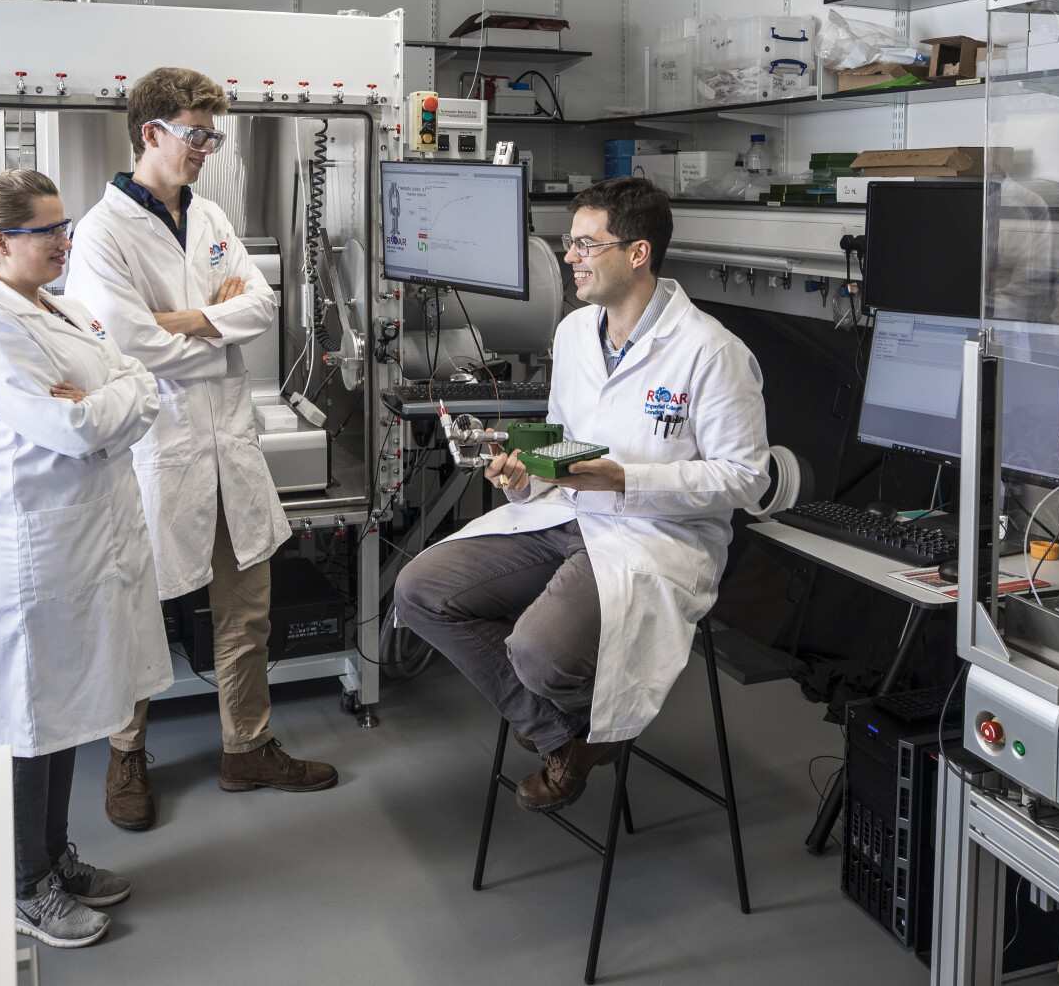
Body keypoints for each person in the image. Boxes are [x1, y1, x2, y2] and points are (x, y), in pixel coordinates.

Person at [395, 177, 772, 812]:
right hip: (568, 515)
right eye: (569, 243)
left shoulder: (713, 352)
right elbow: (564, 447)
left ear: (638, 253)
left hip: (657, 536)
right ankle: (568, 739)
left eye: (585, 245)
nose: (569, 257)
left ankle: (571, 727)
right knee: (419, 590)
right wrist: (526, 475)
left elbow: (746, 478)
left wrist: (627, 479)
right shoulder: (574, 333)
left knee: (536, 652)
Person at [66, 66, 337, 830]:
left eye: (212, 135)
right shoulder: (101, 234)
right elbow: (129, 343)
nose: (206, 149)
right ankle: (126, 753)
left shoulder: (212, 217)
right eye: (196, 134)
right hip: (157, 450)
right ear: (149, 133)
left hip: (228, 446)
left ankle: (245, 747)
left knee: (245, 611)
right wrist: (212, 326)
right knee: (139, 611)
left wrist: (180, 322)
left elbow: (265, 302)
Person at [0, 168, 172, 949]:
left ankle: (52, 859)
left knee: (70, 707)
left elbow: (140, 385)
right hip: (36, 549)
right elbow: (73, 429)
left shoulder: (61, 308)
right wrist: (103, 403)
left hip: (87, 538)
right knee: (32, 718)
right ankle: (22, 887)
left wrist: (105, 397)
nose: (64, 241)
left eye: (64, 225)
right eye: (48, 231)